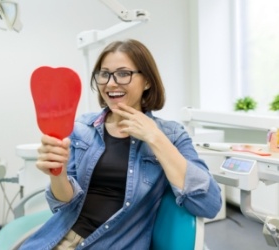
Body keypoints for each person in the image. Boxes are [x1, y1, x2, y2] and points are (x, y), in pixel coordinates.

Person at [20, 39, 222, 249]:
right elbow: (63, 204)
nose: (110, 83)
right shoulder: (81, 128)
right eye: (104, 74)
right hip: (58, 238)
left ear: (147, 81)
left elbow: (209, 204)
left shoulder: (171, 135)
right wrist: (57, 173)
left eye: (124, 73)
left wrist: (154, 137)